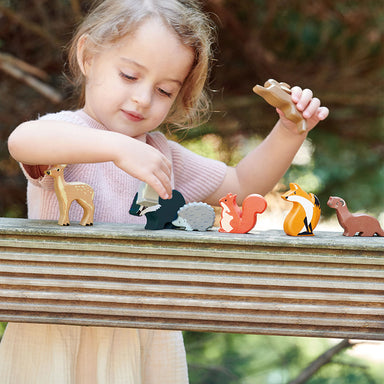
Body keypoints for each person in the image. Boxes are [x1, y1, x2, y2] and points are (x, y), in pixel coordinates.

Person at [2, 0, 329, 383]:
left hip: (144, 330)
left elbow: (240, 187)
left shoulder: (161, 154)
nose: (143, 98)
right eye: (129, 75)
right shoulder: (66, 134)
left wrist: (290, 132)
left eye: (164, 90)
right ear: (88, 57)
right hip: (58, 327)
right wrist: (116, 147)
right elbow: (23, 140)